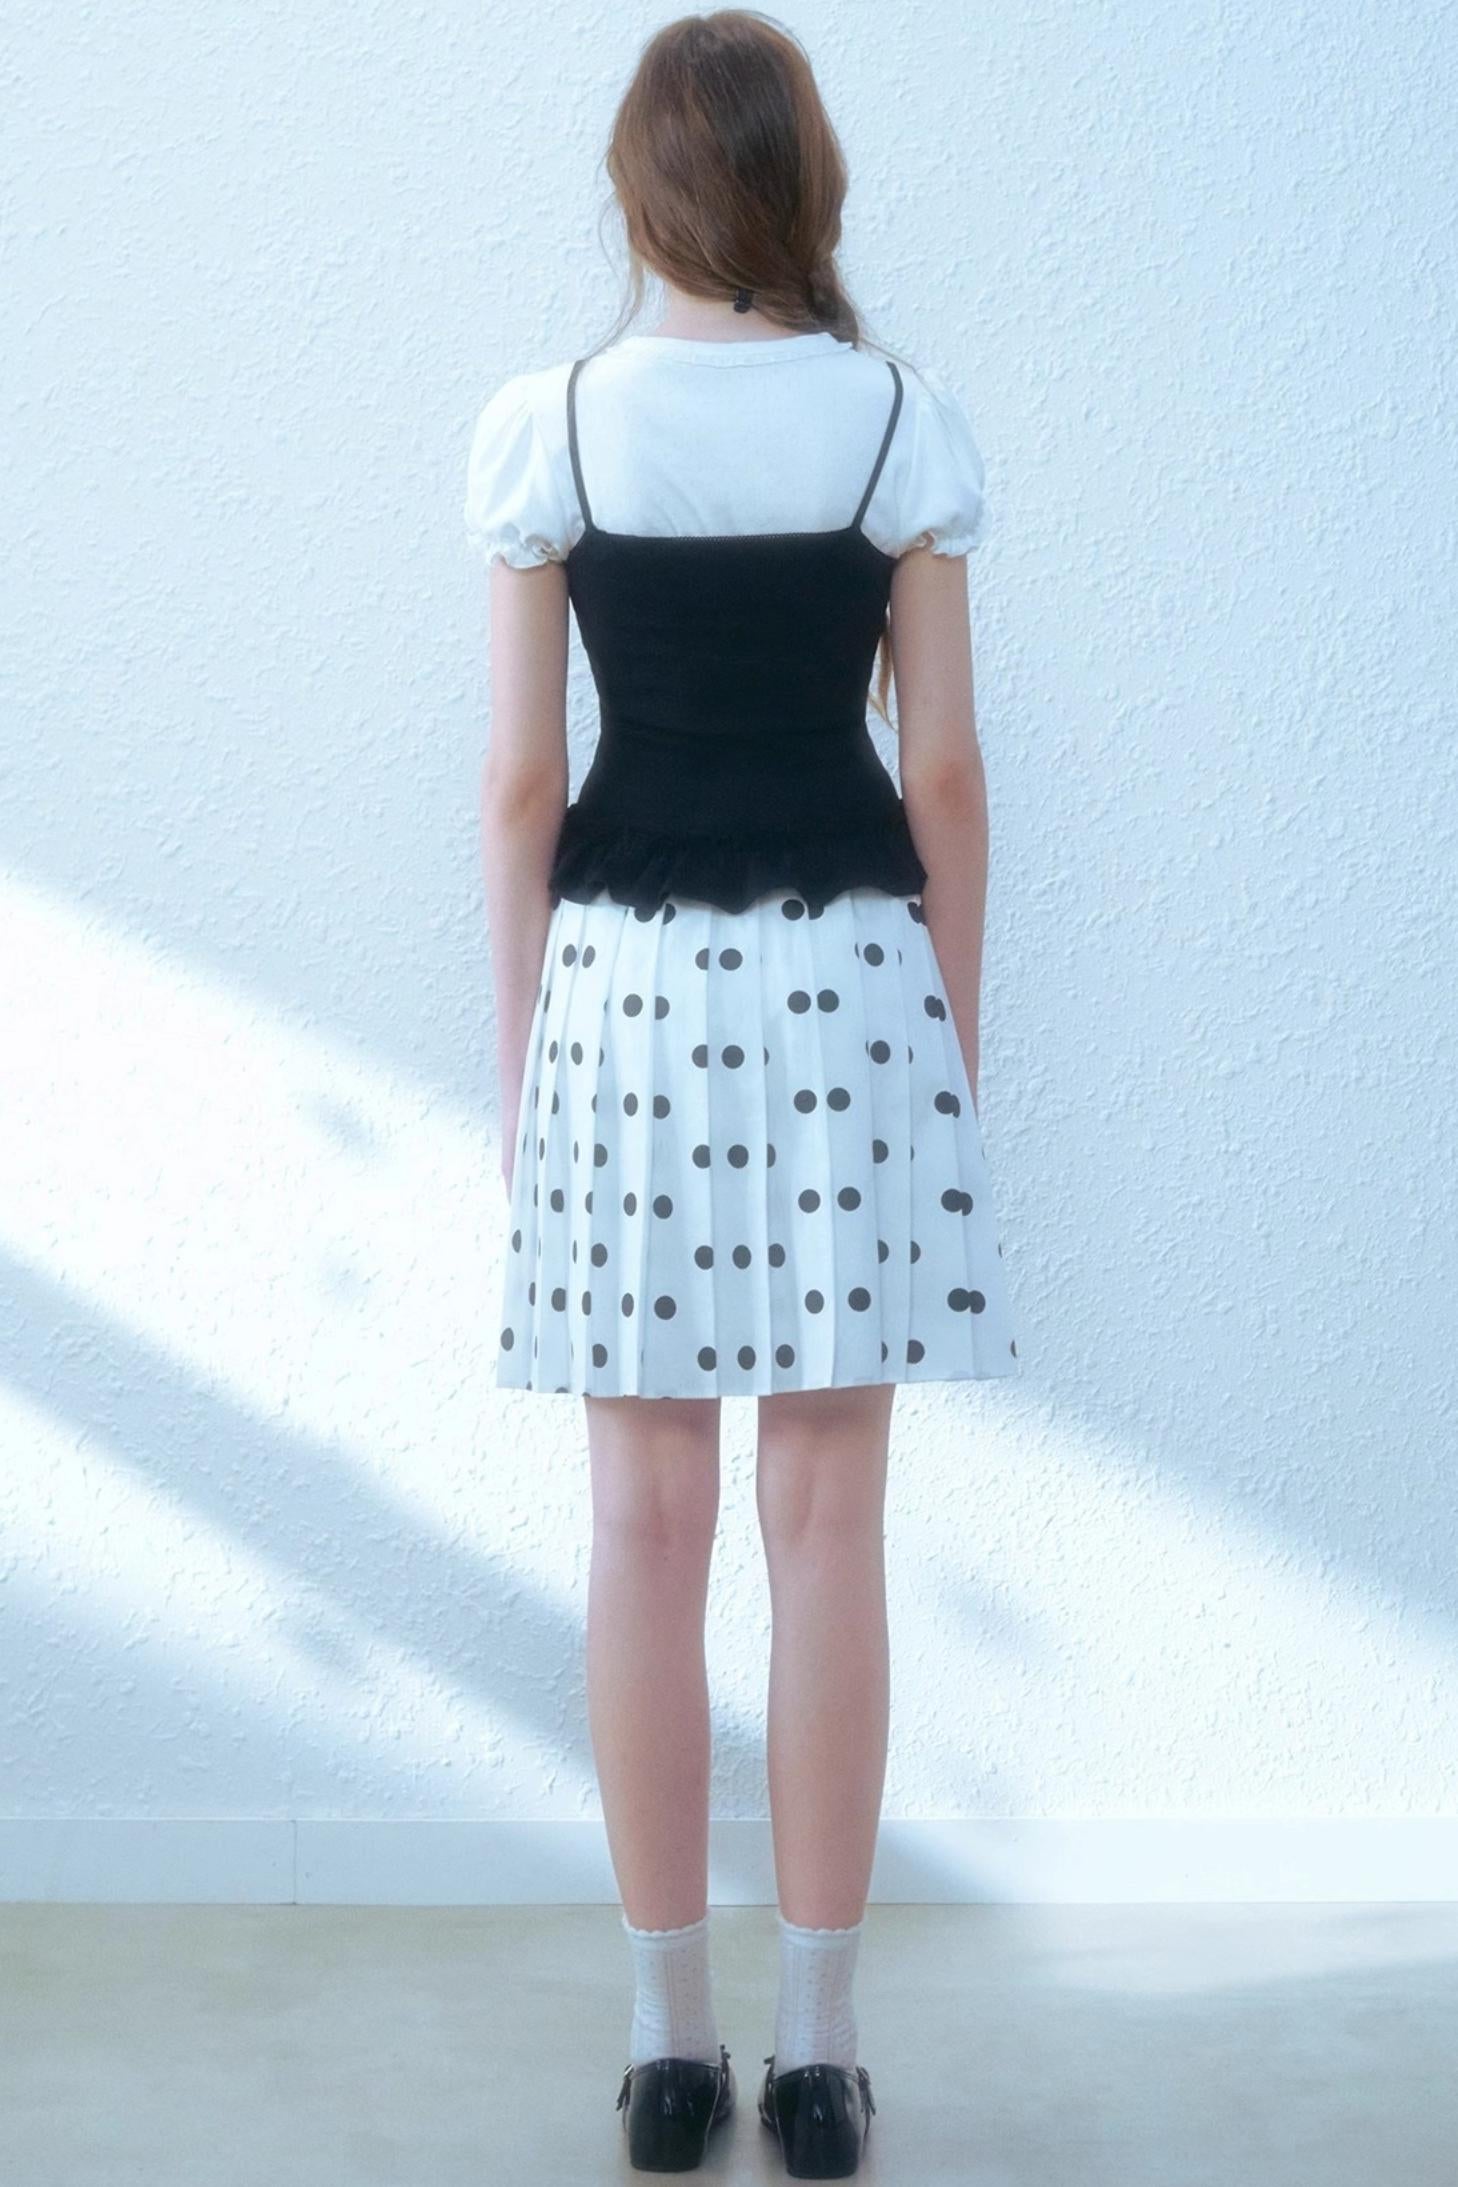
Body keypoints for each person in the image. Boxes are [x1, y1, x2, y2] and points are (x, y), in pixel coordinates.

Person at [464, 11, 1020, 2173]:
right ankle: (817, 2052)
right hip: (851, 990)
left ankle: (666, 2046)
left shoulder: (553, 427)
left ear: (640, 191)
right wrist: (944, 1037)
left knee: (639, 1523)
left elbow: (520, 788)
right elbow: (944, 776)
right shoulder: (895, 420)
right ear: (809, 183)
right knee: (826, 1523)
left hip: (623, 995)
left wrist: (521, 1057)